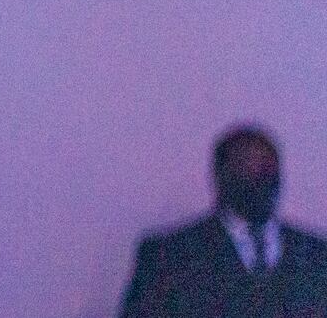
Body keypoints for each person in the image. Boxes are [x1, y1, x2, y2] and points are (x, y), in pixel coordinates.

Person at [120, 126, 327, 318]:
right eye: (248, 168)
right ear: (221, 176)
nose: (261, 180)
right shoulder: (168, 256)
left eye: (267, 169)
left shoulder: (318, 256)